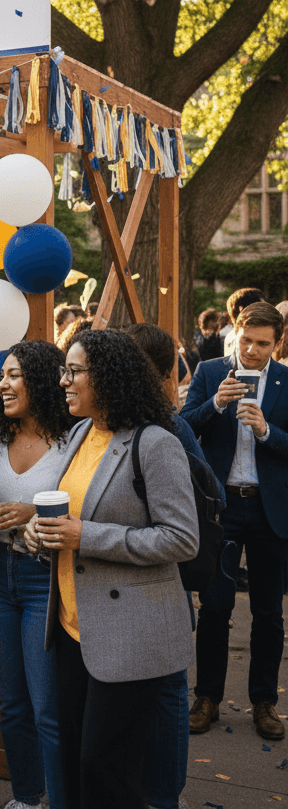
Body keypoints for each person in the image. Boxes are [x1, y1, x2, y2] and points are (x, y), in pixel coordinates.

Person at [24, 329, 198, 809]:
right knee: (77, 761)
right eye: (64, 371)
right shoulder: (81, 432)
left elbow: (182, 539)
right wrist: (38, 534)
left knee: (107, 769)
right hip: (71, 629)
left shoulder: (155, 443)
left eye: (74, 371)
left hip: (129, 633)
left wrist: (86, 536)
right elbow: (71, 517)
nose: (63, 381)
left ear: (108, 377)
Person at [124, 322, 222, 809]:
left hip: (165, 579)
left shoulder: (169, 428)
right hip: (126, 583)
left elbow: (211, 496)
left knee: (165, 693)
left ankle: (165, 797)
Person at [181, 300, 288, 743]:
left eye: (263, 344)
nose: (252, 350)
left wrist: (267, 432)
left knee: (268, 612)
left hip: (269, 509)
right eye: (246, 340)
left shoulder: (286, 381)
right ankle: (207, 697)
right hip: (221, 508)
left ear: (277, 342)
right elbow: (182, 427)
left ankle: (264, 702)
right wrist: (214, 404)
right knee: (216, 606)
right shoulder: (210, 372)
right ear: (236, 332)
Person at [0, 340, 73, 809]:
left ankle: (60, 799)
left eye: (13, 375)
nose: (2, 384)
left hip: (46, 577)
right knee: (12, 703)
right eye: (2, 376)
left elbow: (87, 504)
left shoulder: (73, 440)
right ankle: (26, 797)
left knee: (46, 708)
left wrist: (30, 511)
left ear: (41, 380)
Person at [223, 286, 266, 357]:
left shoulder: (230, 336)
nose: (266, 312)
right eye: (262, 308)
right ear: (243, 311)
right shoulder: (253, 338)